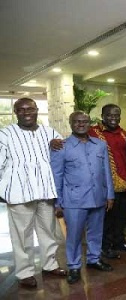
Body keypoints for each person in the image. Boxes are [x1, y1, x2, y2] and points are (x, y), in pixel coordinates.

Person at [0, 98, 67, 288]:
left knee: (48, 231)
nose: (26, 112)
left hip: (46, 191)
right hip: (19, 193)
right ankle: (25, 272)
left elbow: (61, 158)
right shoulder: (5, 134)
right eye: (21, 109)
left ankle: (50, 264)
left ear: (37, 110)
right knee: (22, 235)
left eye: (30, 108)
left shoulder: (50, 133)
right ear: (15, 112)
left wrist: (56, 144)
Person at [51, 111, 115, 284]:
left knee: (96, 231)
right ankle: (74, 266)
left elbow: (107, 172)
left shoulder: (100, 145)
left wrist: (109, 194)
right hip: (74, 199)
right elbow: (57, 176)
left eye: (85, 121)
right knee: (74, 235)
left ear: (89, 123)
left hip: (98, 197)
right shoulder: (61, 147)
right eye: (77, 121)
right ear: (71, 123)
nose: (81, 124)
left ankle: (94, 259)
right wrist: (57, 202)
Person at [88, 104, 126, 258]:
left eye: (116, 115)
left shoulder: (123, 133)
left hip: (124, 183)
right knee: (106, 219)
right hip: (105, 184)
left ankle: (119, 242)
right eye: (109, 115)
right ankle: (104, 246)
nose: (113, 118)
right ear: (102, 116)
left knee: (121, 217)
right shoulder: (93, 132)